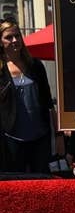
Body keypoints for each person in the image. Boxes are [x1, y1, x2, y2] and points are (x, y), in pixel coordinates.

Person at [0, 18, 55, 174]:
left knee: (42, 181)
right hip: (10, 138)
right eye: (9, 37)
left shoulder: (35, 65)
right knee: (16, 183)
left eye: (17, 36)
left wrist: (57, 136)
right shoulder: (1, 70)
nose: (15, 40)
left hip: (40, 136)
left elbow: (48, 102)